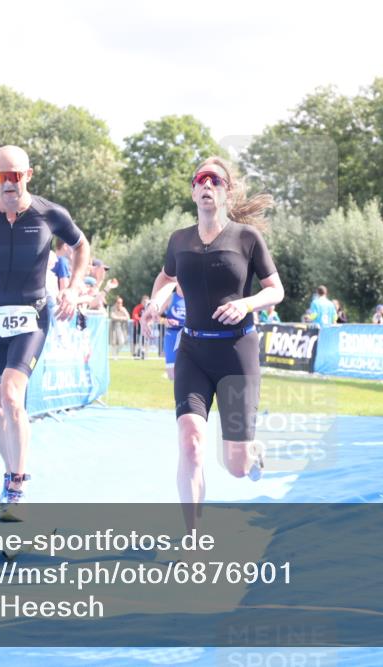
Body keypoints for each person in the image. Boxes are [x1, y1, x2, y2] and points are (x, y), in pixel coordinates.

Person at [142, 157, 284, 531]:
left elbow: (276, 291)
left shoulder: (247, 238)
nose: (207, 185)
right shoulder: (179, 239)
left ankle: (253, 452)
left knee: (236, 467)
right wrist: (156, 300)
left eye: (215, 180)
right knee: (190, 442)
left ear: (227, 191)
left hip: (237, 353)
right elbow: (166, 277)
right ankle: (191, 534)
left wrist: (246, 303)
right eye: (200, 180)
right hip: (193, 351)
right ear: (193, 190)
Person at [0, 145, 90, 512]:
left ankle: (17, 484)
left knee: (13, 394)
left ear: (28, 175)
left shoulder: (49, 213)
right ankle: (10, 470)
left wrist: (73, 288)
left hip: (32, 314)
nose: (8, 184)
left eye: (15, 175)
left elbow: (81, 245)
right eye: (1, 176)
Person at [161, 283, 186, 380]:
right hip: (171, 335)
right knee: (171, 374)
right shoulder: (171, 298)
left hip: (188, 336)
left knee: (188, 370)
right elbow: (155, 317)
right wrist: (165, 321)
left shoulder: (192, 297)